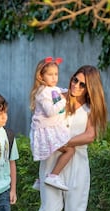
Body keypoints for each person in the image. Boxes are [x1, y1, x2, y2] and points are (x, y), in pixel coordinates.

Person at [32, 65, 108, 211]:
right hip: (52, 162)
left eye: (82, 84)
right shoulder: (56, 96)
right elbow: (39, 120)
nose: (75, 85)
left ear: (89, 88)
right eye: (75, 80)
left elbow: (90, 136)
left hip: (77, 164)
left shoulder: (91, 108)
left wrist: (63, 142)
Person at [29, 57, 75, 191]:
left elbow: (62, 91)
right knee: (70, 149)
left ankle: (40, 179)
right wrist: (63, 100)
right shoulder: (42, 92)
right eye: (50, 74)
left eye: (56, 74)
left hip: (50, 128)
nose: (54, 77)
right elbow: (50, 111)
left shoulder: (53, 89)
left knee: (48, 155)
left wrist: (69, 93)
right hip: (46, 130)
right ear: (41, 76)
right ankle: (53, 176)